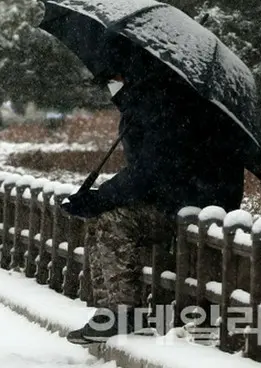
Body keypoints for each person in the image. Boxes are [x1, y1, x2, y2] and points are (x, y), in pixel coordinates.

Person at [62, 49, 246, 343]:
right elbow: (145, 173)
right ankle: (108, 311)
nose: (111, 86)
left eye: (115, 78)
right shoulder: (147, 104)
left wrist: (100, 198)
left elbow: (150, 172)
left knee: (113, 221)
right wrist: (98, 197)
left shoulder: (166, 107)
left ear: (131, 74)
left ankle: (125, 313)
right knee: (100, 218)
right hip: (173, 198)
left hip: (193, 206)